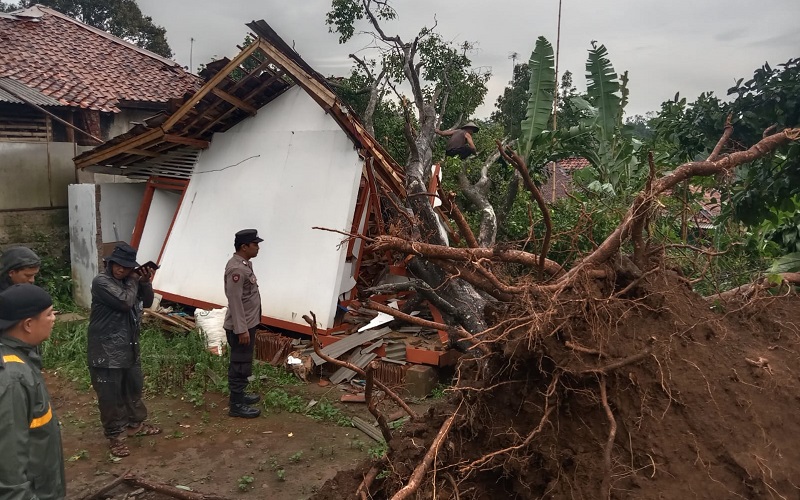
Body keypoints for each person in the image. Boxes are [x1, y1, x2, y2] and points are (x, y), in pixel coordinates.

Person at [87, 242, 161, 458]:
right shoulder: (101, 281)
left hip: (129, 346)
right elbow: (125, 302)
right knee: (110, 395)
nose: (121, 269)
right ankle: (115, 436)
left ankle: (134, 425)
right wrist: (133, 279)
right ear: (110, 263)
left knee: (133, 387)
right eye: (117, 265)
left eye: (126, 267)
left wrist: (145, 282)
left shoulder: (131, 281)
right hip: (105, 349)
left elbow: (146, 302)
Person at [0, 284, 66, 499]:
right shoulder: (12, 377)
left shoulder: (19, 358)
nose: (54, 318)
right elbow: (10, 463)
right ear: (28, 324)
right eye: (48, 314)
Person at [223, 229, 264, 418]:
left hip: (248, 323)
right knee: (239, 364)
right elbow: (235, 300)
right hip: (241, 327)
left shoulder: (244, 264)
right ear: (244, 246)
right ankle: (236, 405)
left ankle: (240, 396)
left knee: (244, 362)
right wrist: (241, 330)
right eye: (255, 244)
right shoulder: (237, 270)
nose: (258, 247)